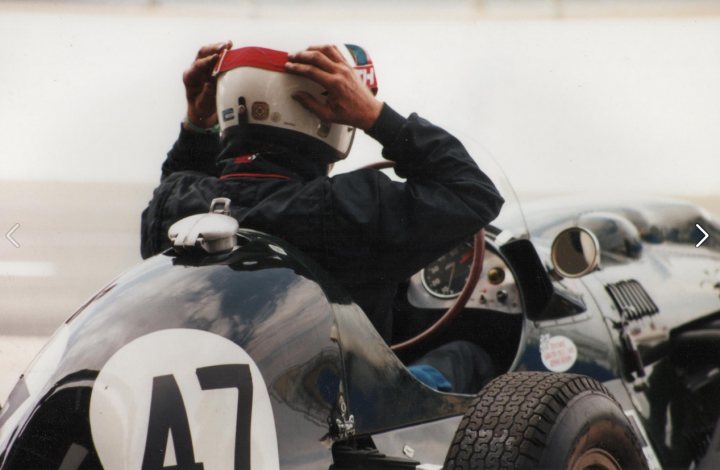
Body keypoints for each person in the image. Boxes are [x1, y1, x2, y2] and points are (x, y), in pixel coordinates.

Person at [141, 42, 504, 392]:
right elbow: (474, 193)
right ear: (326, 119)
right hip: (345, 416)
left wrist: (198, 124)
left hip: (215, 397)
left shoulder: (176, 208)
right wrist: (377, 117)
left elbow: (179, 179)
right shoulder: (348, 207)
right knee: (468, 356)